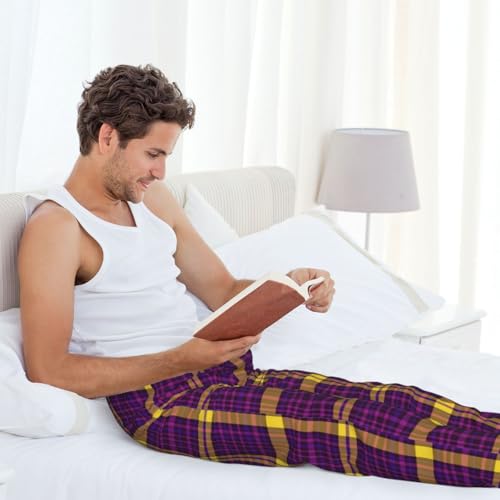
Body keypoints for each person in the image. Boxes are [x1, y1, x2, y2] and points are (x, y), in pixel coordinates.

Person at [18, 64, 499, 488]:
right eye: (153, 154)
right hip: (157, 403)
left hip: (218, 372)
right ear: (107, 137)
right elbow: (50, 370)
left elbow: (223, 290)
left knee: (387, 399)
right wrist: (180, 359)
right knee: (347, 423)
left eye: (166, 157)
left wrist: (292, 287)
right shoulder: (57, 227)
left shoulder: (152, 201)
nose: (161, 172)